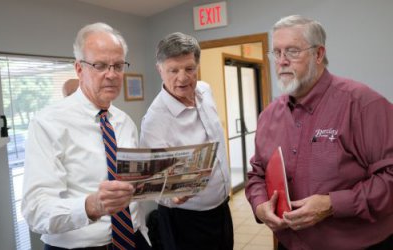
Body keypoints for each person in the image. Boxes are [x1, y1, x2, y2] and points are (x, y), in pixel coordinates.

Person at [245, 15, 393, 250]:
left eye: (292, 51)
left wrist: (333, 204)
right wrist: (259, 204)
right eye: (276, 53)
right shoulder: (268, 116)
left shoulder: (363, 104)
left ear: (318, 54)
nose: (282, 61)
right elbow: (256, 175)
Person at [22, 22, 151, 250]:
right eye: (100, 65)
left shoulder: (125, 122)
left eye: (118, 66)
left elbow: (134, 184)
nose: (111, 75)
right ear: (79, 69)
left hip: (132, 239)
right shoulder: (47, 123)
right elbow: (35, 210)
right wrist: (90, 206)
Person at [140, 32, 233, 250]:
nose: (183, 78)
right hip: (185, 220)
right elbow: (151, 183)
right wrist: (172, 196)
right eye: (173, 70)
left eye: (189, 69)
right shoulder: (154, 121)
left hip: (221, 209)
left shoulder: (205, 90)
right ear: (160, 70)